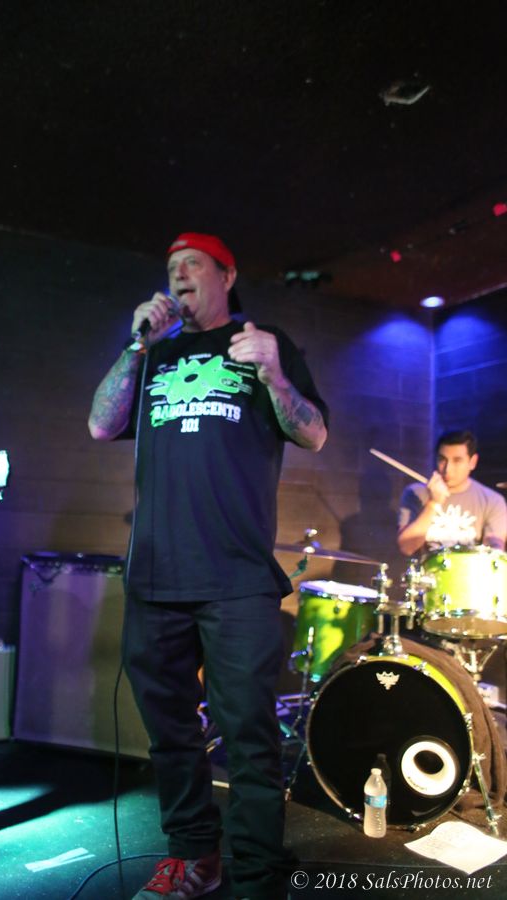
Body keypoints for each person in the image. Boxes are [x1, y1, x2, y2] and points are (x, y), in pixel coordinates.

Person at [88, 232, 328, 900]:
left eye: (192, 263)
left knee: (249, 738)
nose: (178, 275)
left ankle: (257, 877)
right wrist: (135, 345)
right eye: (170, 267)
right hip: (156, 578)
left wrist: (274, 374)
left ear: (227, 274)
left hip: (238, 579)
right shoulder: (153, 353)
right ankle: (195, 856)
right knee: (170, 735)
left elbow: (313, 432)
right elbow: (101, 425)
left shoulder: (262, 343)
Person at [397, 429, 507, 556]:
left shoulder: (492, 500)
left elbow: (494, 553)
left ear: (472, 462)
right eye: (442, 459)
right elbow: (406, 548)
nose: (447, 469)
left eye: (457, 460)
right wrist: (433, 503)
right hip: (427, 568)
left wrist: (496, 545)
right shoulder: (415, 493)